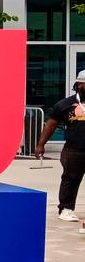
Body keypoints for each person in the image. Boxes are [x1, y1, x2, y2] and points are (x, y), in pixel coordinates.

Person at [35, 70, 85, 224]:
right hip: (74, 149)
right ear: (79, 84)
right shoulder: (64, 104)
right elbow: (51, 125)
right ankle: (66, 209)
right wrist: (41, 145)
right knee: (70, 178)